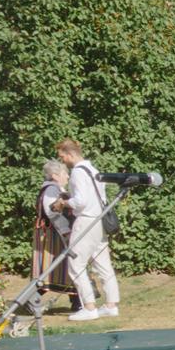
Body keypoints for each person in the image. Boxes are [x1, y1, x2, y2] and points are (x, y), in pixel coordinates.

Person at [57, 138, 120, 322]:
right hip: (100, 220)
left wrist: (64, 202)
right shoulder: (93, 170)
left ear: (70, 154)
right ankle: (111, 305)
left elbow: (81, 201)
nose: (63, 161)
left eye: (62, 157)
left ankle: (89, 307)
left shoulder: (77, 172)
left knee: (75, 264)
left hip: (86, 221)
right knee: (103, 264)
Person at [33, 160, 81, 313]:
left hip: (55, 234)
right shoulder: (51, 189)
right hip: (52, 236)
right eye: (64, 173)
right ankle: (30, 299)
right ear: (54, 176)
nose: (67, 176)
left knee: (64, 267)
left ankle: (77, 302)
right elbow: (52, 212)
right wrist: (66, 231)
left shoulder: (55, 188)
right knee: (53, 268)